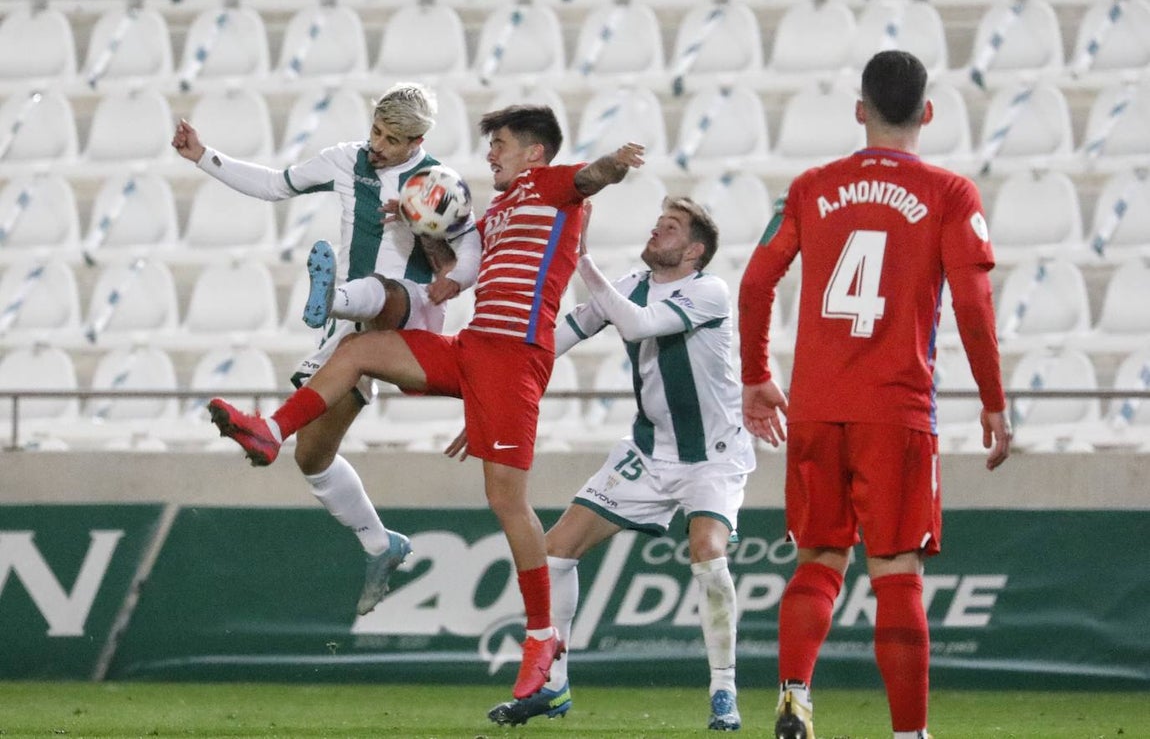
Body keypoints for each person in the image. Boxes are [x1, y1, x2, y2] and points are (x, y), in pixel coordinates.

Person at [204, 104, 645, 702]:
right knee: (362, 352)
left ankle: (542, 638)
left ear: (534, 153)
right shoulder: (500, 208)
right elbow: (463, 265)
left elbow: (589, 178)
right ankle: (269, 432)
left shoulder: (552, 185)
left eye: (502, 144)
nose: (490, 153)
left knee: (506, 501)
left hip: (515, 360)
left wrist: (615, 164)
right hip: (475, 348)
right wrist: (423, 235)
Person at [738, 50, 1012, 739]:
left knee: (818, 560)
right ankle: (908, 734)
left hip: (817, 405)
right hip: (896, 408)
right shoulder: (951, 194)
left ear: (860, 110)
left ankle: (796, 691)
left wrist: (755, 375)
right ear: (926, 112)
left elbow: (754, 284)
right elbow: (975, 305)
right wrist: (993, 399)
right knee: (896, 571)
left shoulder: (809, 187)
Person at [171, 82, 482, 618]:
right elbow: (274, 185)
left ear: (419, 140)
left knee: (382, 291)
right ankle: (382, 545)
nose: (378, 144)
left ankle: (330, 296)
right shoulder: (345, 160)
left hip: (411, 314)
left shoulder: (437, 184)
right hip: (353, 331)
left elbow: (470, 252)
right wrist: (204, 156)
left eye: (393, 138)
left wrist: (447, 271)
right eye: (376, 132)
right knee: (313, 456)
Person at [469, 197, 754, 731]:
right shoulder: (628, 285)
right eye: (657, 222)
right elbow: (556, 341)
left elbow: (643, 326)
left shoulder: (708, 291)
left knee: (708, 554)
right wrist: (495, 392)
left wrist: (581, 258)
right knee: (555, 552)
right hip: (647, 453)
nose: (656, 230)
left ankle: (723, 689)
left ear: (694, 251)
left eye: (670, 228)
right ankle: (552, 688)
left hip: (711, 458)